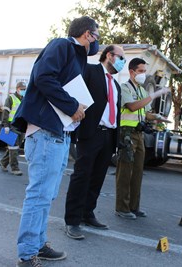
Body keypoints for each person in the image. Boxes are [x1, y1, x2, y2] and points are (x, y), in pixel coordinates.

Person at [11, 16, 100, 267]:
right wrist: (73, 106)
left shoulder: (76, 57)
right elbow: (44, 77)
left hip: (59, 134)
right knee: (39, 195)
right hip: (46, 133)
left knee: (47, 196)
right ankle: (27, 254)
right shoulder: (61, 45)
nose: (97, 43)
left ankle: (38, 243)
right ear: (86, 34)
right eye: (96, 36)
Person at [64, 45, 125, 240]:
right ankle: (72, 221)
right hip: (91, 134)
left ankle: (87, 214)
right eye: (121, 57)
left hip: (109, 136)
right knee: (82, 176)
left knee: (97, 177)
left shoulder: (115, 85)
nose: (123, 61)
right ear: (109, 55)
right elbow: (75, 94)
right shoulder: (90, 71)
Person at [115, 58, 169, 219]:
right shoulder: (124, 88)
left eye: (145, 71)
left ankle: (134, 206)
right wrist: (156, 95)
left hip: (139, 134)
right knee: (125, 172)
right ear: (132, 72)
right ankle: (122, 208)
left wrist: (157, 117)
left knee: (138, 171)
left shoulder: (141, 91)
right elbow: (132, 106)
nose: (143, 74)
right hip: (126, 134)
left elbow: (144, 112)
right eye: (141, 71)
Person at [0, 82, 26, 175]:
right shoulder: (10, 98)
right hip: (12, 125)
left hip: (21, 126)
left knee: (14, 148)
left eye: (24, 89)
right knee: (14, 146)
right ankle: (14, 168)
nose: (23, 91)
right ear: (17, 89)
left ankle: (3, 162)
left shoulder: (24, 99)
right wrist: (5, 125)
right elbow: (5, 112)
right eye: (22, 89)